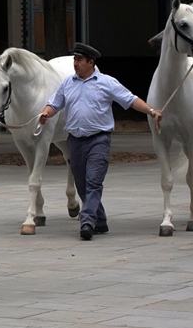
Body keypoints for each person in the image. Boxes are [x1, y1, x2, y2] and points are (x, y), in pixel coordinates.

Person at [38, 43, 163, 241]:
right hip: (75, 142)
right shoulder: (68, 83)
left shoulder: (107, 82)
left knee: (93, 182)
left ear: (91, 62)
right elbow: (54, 102)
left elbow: (130, 99)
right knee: (82, 185)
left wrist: (151, 111)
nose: (75, 63)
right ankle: (101, 220)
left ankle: (87, 222)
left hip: (98, 140)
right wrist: (46, 113)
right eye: (74, 59)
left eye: (79, 60)